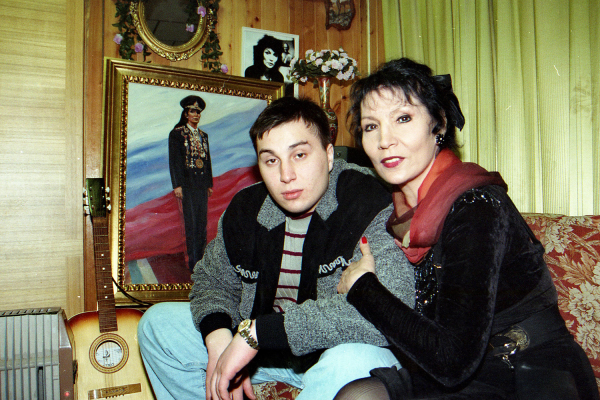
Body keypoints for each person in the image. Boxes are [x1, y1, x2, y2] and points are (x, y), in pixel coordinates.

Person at [334, 58, 599, 400]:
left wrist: (363, 288)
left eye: (403, 118)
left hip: (531, 372)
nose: (385, 140)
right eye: (371, 126)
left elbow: (451, 359)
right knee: (358, 395)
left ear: (439, 125)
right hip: (467, 373)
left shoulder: (476, 205)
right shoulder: (398, 216)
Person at [138, 96, 415, 400]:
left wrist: (258, 333)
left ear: (328, 155)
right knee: (157, 324)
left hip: (332, 355)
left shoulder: (369, 198)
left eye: (299, 155)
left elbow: (392, 311)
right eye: (271, 160)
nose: (286, 176)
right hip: (263, 357)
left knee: (355, 360)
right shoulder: (245, 208)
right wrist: (218, 338)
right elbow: (212, 280)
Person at [168, 95, 213, 271]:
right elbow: (174, 161)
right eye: (193, 111)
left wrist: (209, 184)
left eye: (198, 112)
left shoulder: (203, 135)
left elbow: (207, 161)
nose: (196, 115)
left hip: (201, 185)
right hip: (187, 185)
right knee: (192, 223)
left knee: (202, 223)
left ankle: (201, 261)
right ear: (186, 113)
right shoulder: (177, 134)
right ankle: (194, 262)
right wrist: (177, 185)